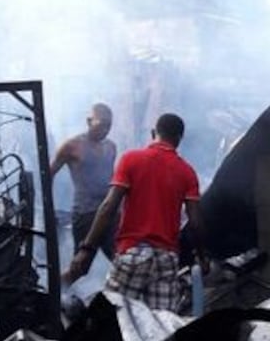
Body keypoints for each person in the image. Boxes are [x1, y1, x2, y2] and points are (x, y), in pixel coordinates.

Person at [65, 113, 207, 311]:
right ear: (178, 139)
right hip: (166, 261)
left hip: (132, 253)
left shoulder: (131, 159)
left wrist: (87, 248)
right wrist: (202, 256)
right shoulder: (187, 172)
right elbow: (196, 223)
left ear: (153, 133)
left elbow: (108, 207)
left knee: (113, 320)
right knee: (162, 324)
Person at [50, 103, 118, 260]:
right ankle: (65, 278)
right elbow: (49, 174)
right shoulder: (72, 146)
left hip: (108, 212)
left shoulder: (111, 147)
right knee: (81, 262)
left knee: (118, 258)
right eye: (102, 125)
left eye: (109, 126)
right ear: (89, 121)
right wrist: (50, 208)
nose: (105, 130)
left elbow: (112, 179)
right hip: (84, 213)